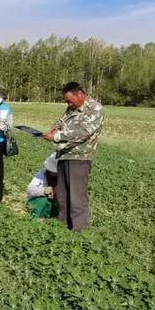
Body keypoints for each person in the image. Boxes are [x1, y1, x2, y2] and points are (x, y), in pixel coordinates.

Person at [43, 82, 104, 231]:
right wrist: (54, 128)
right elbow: (62, 121)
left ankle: (78, 231)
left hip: (80, 157)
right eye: (66, 101)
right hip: (64, 154)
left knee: (77, 197)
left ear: (80, 94)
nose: (68, 103)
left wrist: (57, 136)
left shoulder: (95, 109)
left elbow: (83, 132)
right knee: (62, 195)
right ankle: (63, 227)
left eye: (70, 100)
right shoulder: (71, 107)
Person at [26, 154, 58, 219]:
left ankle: (53, 218)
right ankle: (35, 218)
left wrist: (57, 193)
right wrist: (44, 191)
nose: (53, 174)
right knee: (42, 200)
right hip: (37, 201)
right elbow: (30, 189)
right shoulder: (42, 173)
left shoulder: (64, 177)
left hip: (54, 203)